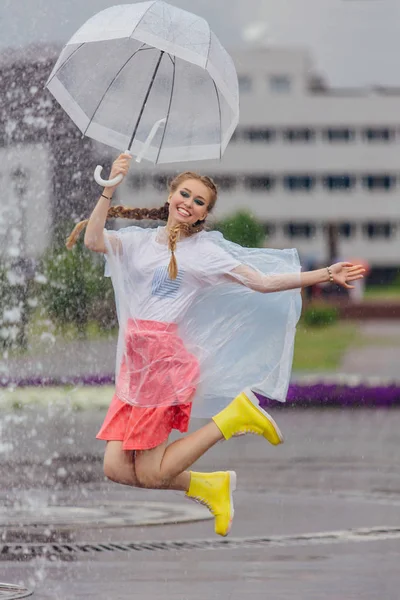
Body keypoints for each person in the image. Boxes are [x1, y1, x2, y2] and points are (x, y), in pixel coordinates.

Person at [67, 153, 365, 537]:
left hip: (162, 363)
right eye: (185, 194)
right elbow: (93, 239)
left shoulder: (204, 252)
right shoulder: (138, 242)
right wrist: (109, 187)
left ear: (204, 213)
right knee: (116, 469)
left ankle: (233, 419)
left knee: (153, 471)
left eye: (199, 202)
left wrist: (326, 273)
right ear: (171, 194)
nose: (188, 204)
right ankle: (209, 485)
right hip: (135, 366)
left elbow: (261, 282)